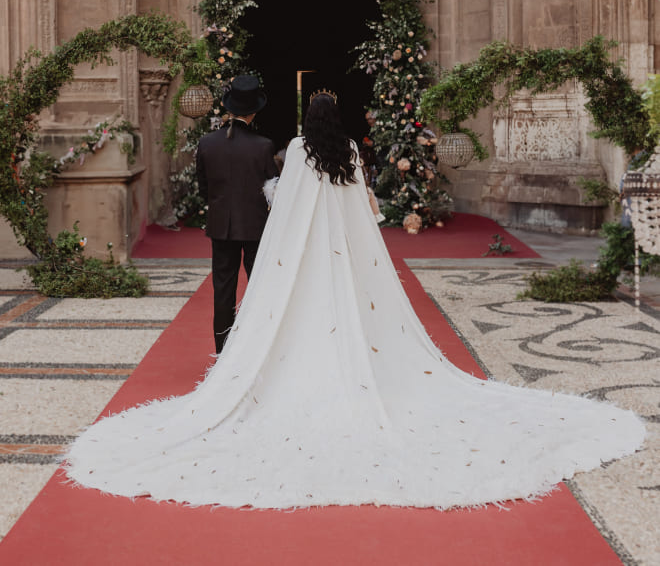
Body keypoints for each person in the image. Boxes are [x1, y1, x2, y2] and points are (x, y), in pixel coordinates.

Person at [64, 92, 645, 509]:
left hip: (303, 250)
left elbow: (286, 205)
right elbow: (361, 209)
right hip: (343, 252)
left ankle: (250, 353)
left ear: (304, 120)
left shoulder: (293, 148)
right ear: (337, 118)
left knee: (286, 308)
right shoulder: (347, 151)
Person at [196, 74, 279, 354]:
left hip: (221, 226)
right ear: (254, 111)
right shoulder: (263, 146)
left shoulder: (207, 143)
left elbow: (203, 188)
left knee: (223, 290)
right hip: (255, 227)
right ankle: (257, 349)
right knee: (259, 288)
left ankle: (223, 350)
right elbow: (273, 190)